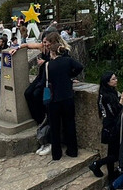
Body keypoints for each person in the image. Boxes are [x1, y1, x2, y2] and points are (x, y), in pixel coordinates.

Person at [41, 31, 83, 160]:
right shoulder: (68, 61)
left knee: (55, 127)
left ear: (52, 52)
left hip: (54, 100)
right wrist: (69, 76)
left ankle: (56, 154)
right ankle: (72, 150)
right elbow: (80, 67)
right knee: (69, 124)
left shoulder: (48, 65)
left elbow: (44, 81)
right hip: (67, 97)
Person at [90, 71, 123, 180]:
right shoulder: (107, 96)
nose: (116, 80)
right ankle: (96, 164)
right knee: (115, 155)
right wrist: (122, 99)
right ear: (107, 82)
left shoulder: (107, 92)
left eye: (115, 78)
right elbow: (115, 112)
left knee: (111, 152)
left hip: (110, 125)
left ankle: (111, 176)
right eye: (113, 79)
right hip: (111, 127)